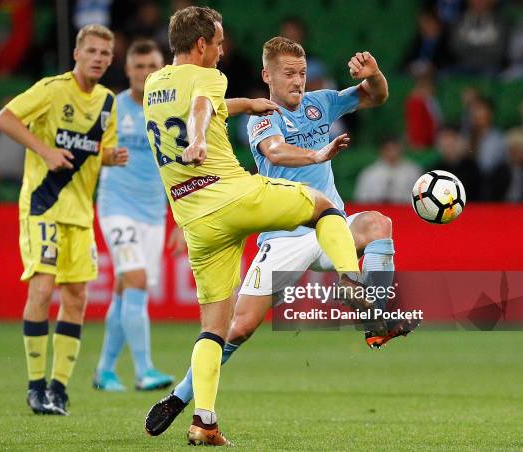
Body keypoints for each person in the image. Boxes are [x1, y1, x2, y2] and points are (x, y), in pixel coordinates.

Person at [145, 36, 420, 439]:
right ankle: (181, 397)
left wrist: (374, 75)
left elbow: (374, 97)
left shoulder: (322, 102)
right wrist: (316, 155)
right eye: (289, 74)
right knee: (236, 329)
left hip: (329, 227)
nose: (297, 81)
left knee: (378, 225)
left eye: (302, 73)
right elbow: (275, 153)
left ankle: (375, 317)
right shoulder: (261, 117)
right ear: (267, 76)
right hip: (283, 237)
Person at [0, 24, 128, 416]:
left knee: (77, 298)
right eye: (92, 52)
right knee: (43, 287)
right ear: (77, 54)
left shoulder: (107, 102)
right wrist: (45, 151)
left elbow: (95, 150)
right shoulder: (53, 90)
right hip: (43, 204)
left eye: (105, 54)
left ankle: (58, 388)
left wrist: (109, 157)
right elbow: (5, 118)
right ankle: (35, 386)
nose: (99, 59)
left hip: (80, 212)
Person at [93, 39, 183, 393]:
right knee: (135, 278)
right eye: (139, 66)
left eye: (152, 67)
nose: (146, 73)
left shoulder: (170, 112)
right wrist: (104, 156)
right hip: (116, 206)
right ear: (128, 69)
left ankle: (103, 371)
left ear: (163, 70)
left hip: (153, 212)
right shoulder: (112, 107)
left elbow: (177, 168)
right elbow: (86, 150)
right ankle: (144, 370)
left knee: (126, 287)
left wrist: (180, 220)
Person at [354, 137, 423, 203]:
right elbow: (360, 199)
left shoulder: (413, 171)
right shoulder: (369, 173)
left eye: (395, 149)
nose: (392, 153)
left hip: (405, 211)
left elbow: (421, 198)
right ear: (381, 150)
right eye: (389, 149)